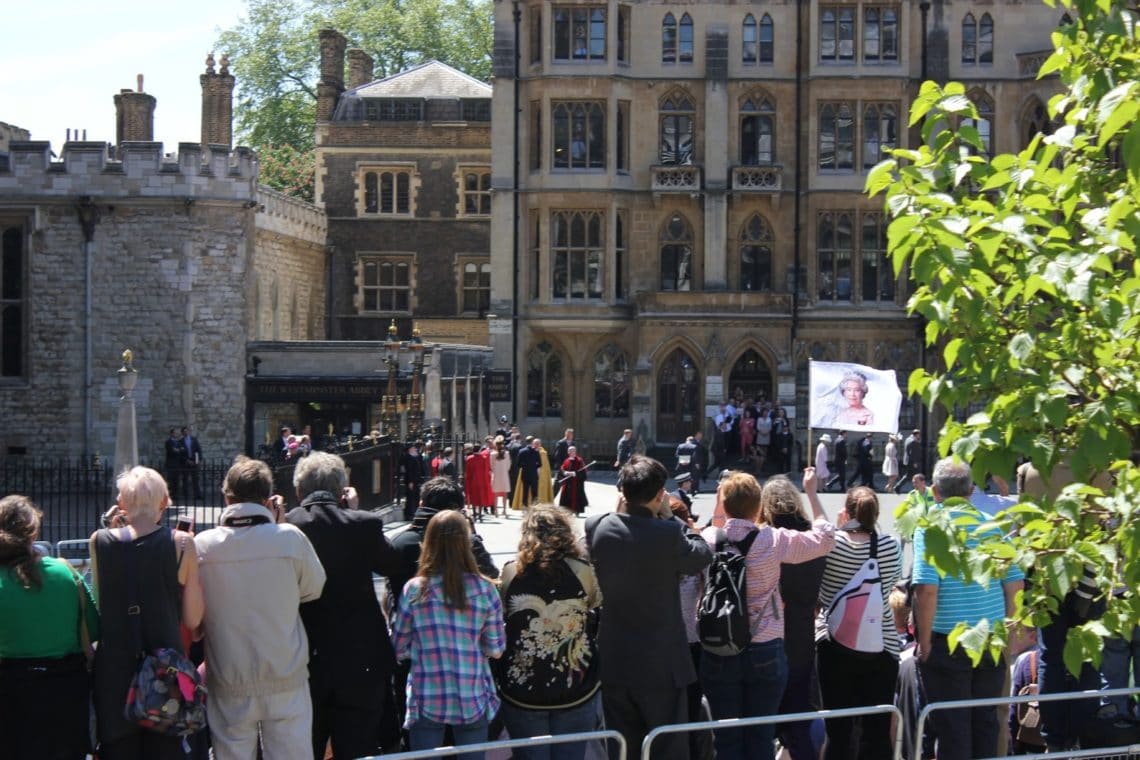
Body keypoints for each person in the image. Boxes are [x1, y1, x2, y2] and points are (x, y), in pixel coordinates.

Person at [194, 456, 327, 760]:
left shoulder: (203, 546)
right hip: (284, 673)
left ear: (226, 497)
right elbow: (313, 589)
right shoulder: (290, 539)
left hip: (229, 673)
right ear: (268, 500)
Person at [698, 471, 836, 760]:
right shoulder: (771, 540)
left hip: (719, 644)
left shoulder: (709, 540)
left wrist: (719, 510)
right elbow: (825, 539)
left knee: (727, 737)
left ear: (724, 502)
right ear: (758, 507)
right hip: (765, 645)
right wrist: (811, 492)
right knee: (760, 736)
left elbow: (710, 537)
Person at [586, 455, 713, 760]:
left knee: (622, 748)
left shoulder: (597, 528)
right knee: (668, 747)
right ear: (659, 495)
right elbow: (702, 554)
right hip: (662, 665)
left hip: (615, 661)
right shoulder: (669, 534)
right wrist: (671, 517)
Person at [285, 452, 403, 760]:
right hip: (360, 657)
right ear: (342, 490)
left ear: (299, 492)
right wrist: (353, 512)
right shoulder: (362, 524)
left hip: (306, 656)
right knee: (358, 747)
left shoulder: (287, 527)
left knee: (305, 746)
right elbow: (391, 563)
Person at [912, 457, 1025, 760]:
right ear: (972, 489)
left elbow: (926, 589)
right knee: (985, 723)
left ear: (935, 491)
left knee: (953, 728)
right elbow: (1015, 583)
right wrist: (1011, 635)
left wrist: (923, 643)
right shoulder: (991, 526)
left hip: (948, 641)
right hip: (991, 640)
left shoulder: (930, 527)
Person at [89, 466, 204, 760]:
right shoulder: (181, 544)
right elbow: (192, 619)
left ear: (122, 503)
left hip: (115, 669)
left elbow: (101, 603)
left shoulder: (99, 541)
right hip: (166, 673)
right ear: (164, 504)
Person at [392, 510, 505, 759]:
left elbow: (398, 647)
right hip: (472, 694)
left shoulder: (414, 590)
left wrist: (421, 650)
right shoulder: (485, 589)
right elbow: (496, 648)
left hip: (427, 696)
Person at [0, 494, 101, 760]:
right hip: (66, 691)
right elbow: (93, 628)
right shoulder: (66, 573)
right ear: (33, 532)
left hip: (12, 690)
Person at [498, 504, 602, 760]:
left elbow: (503, 610)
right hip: (575, 685)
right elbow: (595, 604)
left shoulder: (512, 571)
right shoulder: (583, 571)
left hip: (522, 688)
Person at [807, 483, 902, 760]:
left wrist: (813, 496)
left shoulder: (832, 545)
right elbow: (892, 583)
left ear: (847, 512)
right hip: (881, 646)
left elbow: (821, 530)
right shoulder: (889, 546)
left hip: (834, 643)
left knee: (838, 730)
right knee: (877, 730)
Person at [761, 477, 829, 760]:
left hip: (769, 634)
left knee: (762, 719)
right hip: (801, 632)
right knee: (798, 716)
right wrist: (813, 495)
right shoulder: (813, 540)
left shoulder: (767, 539)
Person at [464, 443, 494, 521]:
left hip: (473, 481)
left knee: (473, 498)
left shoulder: (469, 458)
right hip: (481, 481)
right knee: (480, 498)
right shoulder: (484, 458)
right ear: (480, 450)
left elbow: (468, 472)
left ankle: (474, 514)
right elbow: (486, 471)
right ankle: (480, 515)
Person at [557, 446, 590, 515]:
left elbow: (583, 472)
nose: (572, 452)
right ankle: (567, 511)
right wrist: (565, 473)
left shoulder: (579, 460)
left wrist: (575, 474)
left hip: (576, 483)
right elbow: (562, 469)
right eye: (570, 451)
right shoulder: (566, 460)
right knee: (567, 496)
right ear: (568, 452)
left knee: (576, 496)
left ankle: (577, 511)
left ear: (575, 452)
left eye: (573, 451)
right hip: (568, 483)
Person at [516, 437, 543, 508]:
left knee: (525, 492)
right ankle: (535, 507)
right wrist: (534, 466)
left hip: (525, 474)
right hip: (534, 475)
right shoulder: (536, 452)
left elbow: (518, 464)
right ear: (532, 443)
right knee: (534, 492)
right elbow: (540, 464)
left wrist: (525, 465)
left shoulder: (521, 451)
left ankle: (525, 507)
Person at [490, 436, 512, 517]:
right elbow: (509, 465)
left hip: (496, 475)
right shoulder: (506, 453)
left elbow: (491, 466)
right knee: (505, 494)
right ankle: (504, 510)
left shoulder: (492, 454)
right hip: (504, 475)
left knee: (495, 494)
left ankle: (496, 511)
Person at [402, 442, 424, 522]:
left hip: (415, 481)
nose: (415, 449)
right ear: (410, 449)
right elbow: (409, 470)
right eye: (413, 448)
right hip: (411, 481)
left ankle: (414, 513)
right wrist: (411, 481)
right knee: (411, 498)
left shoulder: (414, 457)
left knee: (415, 498)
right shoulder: (408, 458)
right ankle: (410, 515)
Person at [180, 425, 203, 500]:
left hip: (194, 461)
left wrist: (197, 461)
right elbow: (180, 454)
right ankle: (185, 495)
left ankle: (197, 495)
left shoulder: (194, 440)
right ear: (182, 433)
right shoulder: (180, 442)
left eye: (186, 431)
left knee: (195, 479)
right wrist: (187, 460)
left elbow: (198, 450)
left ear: (188, 432)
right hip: (185, 462)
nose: (185, 432)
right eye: (184, 432)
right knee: (185, 479)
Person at [163, 427, 185, 496]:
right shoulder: (168, 442)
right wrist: (178, 450)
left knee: (177, 481)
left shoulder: (179, 442)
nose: (177, 434)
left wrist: (177, 450)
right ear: (172, 434)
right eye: (175, 433)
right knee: (170, 481)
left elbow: (183, 450)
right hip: (171, 465)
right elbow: (172, 451)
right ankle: (170, 495)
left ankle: (176, 495)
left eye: (177, 433)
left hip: (178, 464)